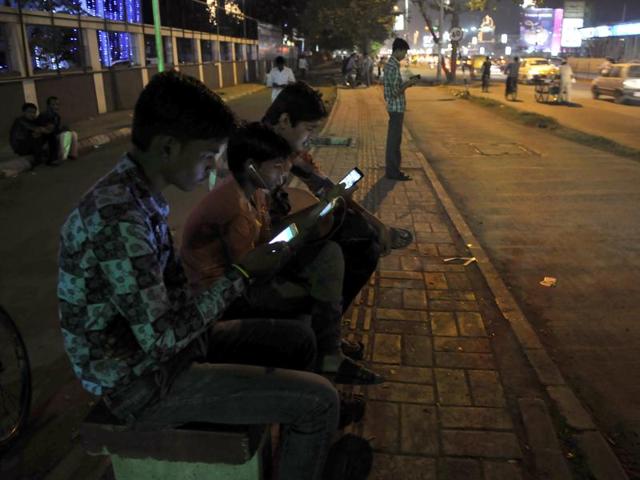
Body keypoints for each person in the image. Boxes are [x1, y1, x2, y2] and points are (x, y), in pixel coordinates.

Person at [58, 71, 340, 480]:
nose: (214, 167)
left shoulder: (139, 195)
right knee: (319, 402)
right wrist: (243, 272)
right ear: (168, 147)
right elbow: (159, 339)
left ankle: (284, 448)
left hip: (174, 349)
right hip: (141, 384)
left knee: (298, 339)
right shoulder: (117, 217)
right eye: (208, 154)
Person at [181, 122, 383, 385]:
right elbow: (254, 270)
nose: (284, 173)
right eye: (277, 166)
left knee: (328, 253)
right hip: (225, 296)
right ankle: (324, 359)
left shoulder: (255, 192)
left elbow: (268, 240)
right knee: (320, 283)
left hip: (247, 276)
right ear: (251, 166)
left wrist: (322, 210)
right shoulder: (234, 206)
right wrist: (305, 233)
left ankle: (330, 352)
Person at [261, 82, 414, 314]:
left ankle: (329, 324)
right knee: (357, 246)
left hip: (279, 233)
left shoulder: (287, 150)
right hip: (263, 249)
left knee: (348, 220)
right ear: (284, 121)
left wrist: (374, 220)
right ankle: (325, 326)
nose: (311, 138)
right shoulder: (255, 154)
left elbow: (327, 188)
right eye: (310, 129)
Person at [383, 38, 418, 181]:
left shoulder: (393, 65)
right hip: (395, 108)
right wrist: (409, 83)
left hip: (396, 107)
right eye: (404, 52)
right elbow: (395, 92)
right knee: (394, 141)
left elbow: (394, 87)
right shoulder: (391, 67)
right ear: (397, 50)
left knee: (395, 140)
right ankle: (392, 172)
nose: (404, 55)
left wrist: (407, 82)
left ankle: (394, 170)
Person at [38, 96, 79, 164]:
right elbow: (47, 131)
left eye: (57, 104)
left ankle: (73, 154)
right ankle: (61, 156)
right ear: (48, 106)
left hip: (54, 136)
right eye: (53, 105)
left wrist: (63, 129)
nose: (56, 107)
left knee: (73, 134)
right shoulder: (44, 115)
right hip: (47, 140)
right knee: (64, 135)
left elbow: (56, 129)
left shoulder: (56, 116)